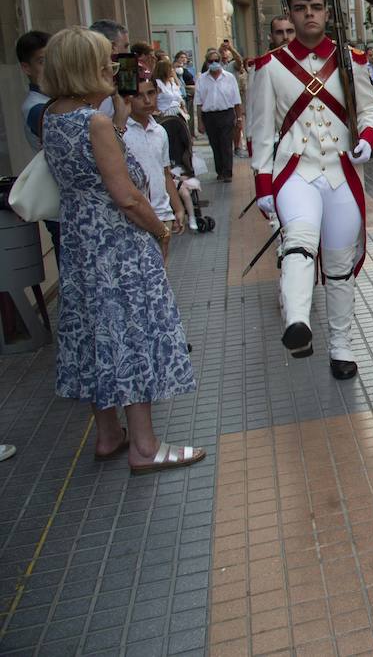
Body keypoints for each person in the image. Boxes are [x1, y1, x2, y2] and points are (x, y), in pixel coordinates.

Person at [40, 26, 202, 474]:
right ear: (84, 68)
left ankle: (109, 434)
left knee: (97, 334)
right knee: (133, 334)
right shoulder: (93, 123)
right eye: (104, 61)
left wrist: (114, 112)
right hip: (117, 244)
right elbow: (126, 195)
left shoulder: (51, 115)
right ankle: (145, 447)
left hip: (80, 242)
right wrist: (161, 231)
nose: (113, 68)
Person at [249, 0, 373, 380]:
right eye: (301, 7)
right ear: (290, 14)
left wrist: (368, 138)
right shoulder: (270, 66)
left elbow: (370, 110)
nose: (310, 13)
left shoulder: (351, 60)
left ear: (326, 12)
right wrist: (263, 183)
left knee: (340, 267)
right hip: (296, 173)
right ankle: (297, 322)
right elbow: (261, 132)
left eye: (317, 7)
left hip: (342, 174)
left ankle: (341, 347)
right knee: (299, 241)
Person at [125, 75, 187, 264]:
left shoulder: (160, 131)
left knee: (161, 268)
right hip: (136, 217)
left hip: (162, 212)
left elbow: (165, 172)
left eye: (151, 93)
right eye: (138, 95)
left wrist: (178, 208)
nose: (147, 100)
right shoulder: (120, 132)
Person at [19, 30, 60, 261]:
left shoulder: (57, 99)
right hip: (61, 210)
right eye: (42, 61)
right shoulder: (36, 108)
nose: (51, 67)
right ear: (27, 68)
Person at [194, 48, 243, 182]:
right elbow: (198, 102)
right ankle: (220, 170)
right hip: (209, 115)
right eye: (211, 61)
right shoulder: (202, 79)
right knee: (215, 144)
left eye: (216, 60)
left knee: (226, 143)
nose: (214, 63)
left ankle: (227, 172)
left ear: (220, 61)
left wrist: (239, 118)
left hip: (226, 114)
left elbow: (236, 99)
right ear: (207, 63)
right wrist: (200, 122)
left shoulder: (229, 77)